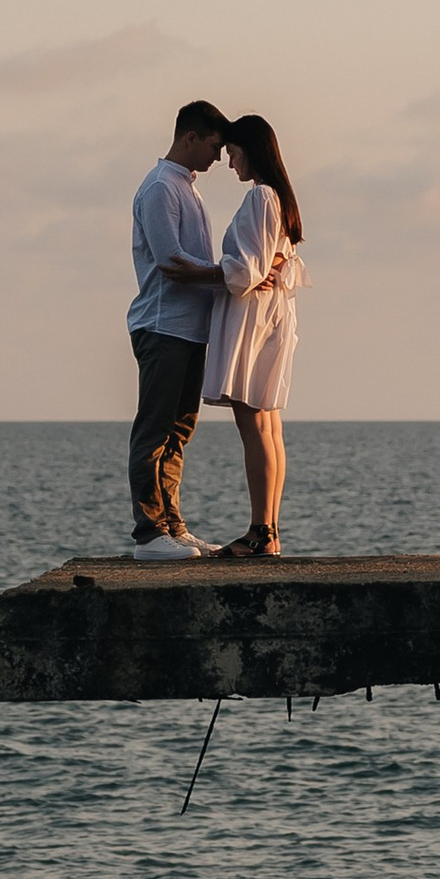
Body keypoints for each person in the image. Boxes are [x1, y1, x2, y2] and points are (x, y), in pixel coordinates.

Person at [123, 100, 230, 557]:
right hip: (163, 326)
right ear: (190, 137)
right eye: (214, 145)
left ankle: (172, 525)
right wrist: (230, 275)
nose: (219, 158)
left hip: (189, 330)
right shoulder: (161, 189)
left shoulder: (188, 188)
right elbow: (170, 263)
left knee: (178, 431)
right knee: (154, 428)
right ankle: (149, 533)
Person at [202, 113, 305, 560]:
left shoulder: (262, 196)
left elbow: (247, 272)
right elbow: (283, 265)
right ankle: (269, 530)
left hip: (254, 321)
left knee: (255, 425)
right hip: (271, 317)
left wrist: (201, 270)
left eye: (232, 154)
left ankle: (261, 530)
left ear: (250, 149)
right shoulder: (279, 199)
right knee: (267, 425)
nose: (230, 164)